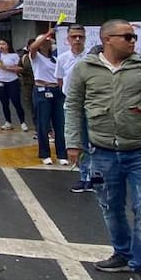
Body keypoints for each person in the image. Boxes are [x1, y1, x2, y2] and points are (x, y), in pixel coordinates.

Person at [65, 18, 141, 280]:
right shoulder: (84, 69)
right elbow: (73, 106)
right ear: (108, 39)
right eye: (127, 36)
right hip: (102, 152)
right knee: (111, 209)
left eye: (134, 37)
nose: (132, 41)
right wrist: (73, 143)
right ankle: (121, 254)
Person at [56, 24, 92, 189]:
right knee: (78, 142)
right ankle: (84, 176)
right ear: (68, 39)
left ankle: (95, 176)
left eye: (80, 36)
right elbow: (60, 80)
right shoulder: (62, 58)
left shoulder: (93, 57)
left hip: (91, 104)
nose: (77, 40)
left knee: (94, 142)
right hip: (72, 105)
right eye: (74, 37)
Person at [29, 28, 69, 165]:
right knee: (43, 123)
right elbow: (33, 47)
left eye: (49, 42)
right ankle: (45, 153)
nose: (47, 43)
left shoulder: (55, 58)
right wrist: (46, 33)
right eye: (44, 41)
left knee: (60, 124)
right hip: (42, 90)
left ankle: (62, 153)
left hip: (57, 91)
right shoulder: (35, 56)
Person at [0, 38, 25, 131]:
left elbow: (19, 68)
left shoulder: (14, 55)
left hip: (12, 81)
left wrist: (6, 67)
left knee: (16, 102)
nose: (1, 46)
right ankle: (8, 122)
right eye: (0, 44)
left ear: (8, 45)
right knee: (4, 103)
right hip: (1, 81)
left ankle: (22, 122)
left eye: (3, 44)